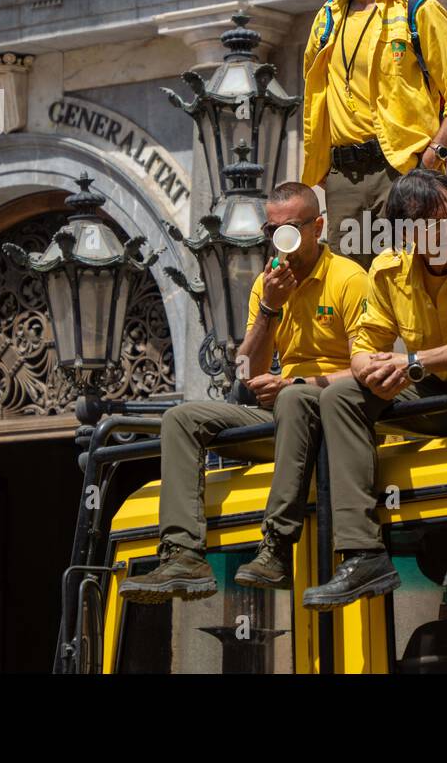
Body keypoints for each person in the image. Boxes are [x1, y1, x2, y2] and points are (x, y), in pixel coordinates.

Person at [300, 169, 447, 610]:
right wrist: (367, 368)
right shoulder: (389, 270)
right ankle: (362, 553)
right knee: (340, 395)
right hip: (437, 395)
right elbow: (365, 343)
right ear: (406, 236)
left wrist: (412, 363)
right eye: (432, 226)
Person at [118, 183, 366, 603]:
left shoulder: (349, 278)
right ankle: (183, 554)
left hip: (332, 413)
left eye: (290, 229)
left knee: (293, 397)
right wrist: (270, 308)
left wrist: (292, 383)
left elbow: (367, 370)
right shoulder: (266, 284)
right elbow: (246, 374)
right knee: (180, 418)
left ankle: (275, 547)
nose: (279, 240)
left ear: (318, 227)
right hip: (285, 417)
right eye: (272, 231)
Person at [301, 0, 447, 269]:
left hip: (401, 171)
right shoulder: (327, 20)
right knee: (354, 291)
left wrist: (430, 162)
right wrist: (324, 171)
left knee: (410, 277)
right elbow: (313, 101)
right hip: (343, 180)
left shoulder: (419, 9)